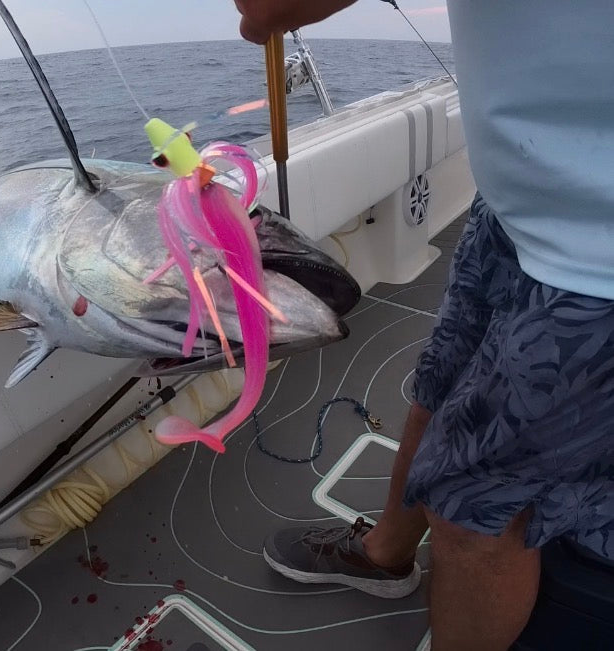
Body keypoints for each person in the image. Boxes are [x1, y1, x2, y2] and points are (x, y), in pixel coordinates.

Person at [233, 1, 614, 650]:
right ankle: (386, 552)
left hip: (593, 261)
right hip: (519, 205)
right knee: (441, 379)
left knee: (475, 511)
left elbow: (267, 8)